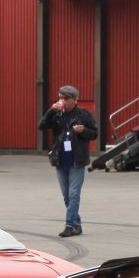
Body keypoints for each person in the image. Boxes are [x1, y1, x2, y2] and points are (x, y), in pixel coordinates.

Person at [38, 85, 98, 237]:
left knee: (73, 194)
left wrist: (83, 130)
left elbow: (94, 133)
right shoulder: (56, 115)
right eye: (60, 98)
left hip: (77, 160)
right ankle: (77, 223)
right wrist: (51, 111)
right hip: (60, 159)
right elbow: (41, 126)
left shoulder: (84, 114)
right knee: (66, 195)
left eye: (65, 98)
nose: (62, 101)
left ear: (75, 100)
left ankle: (70, 225)